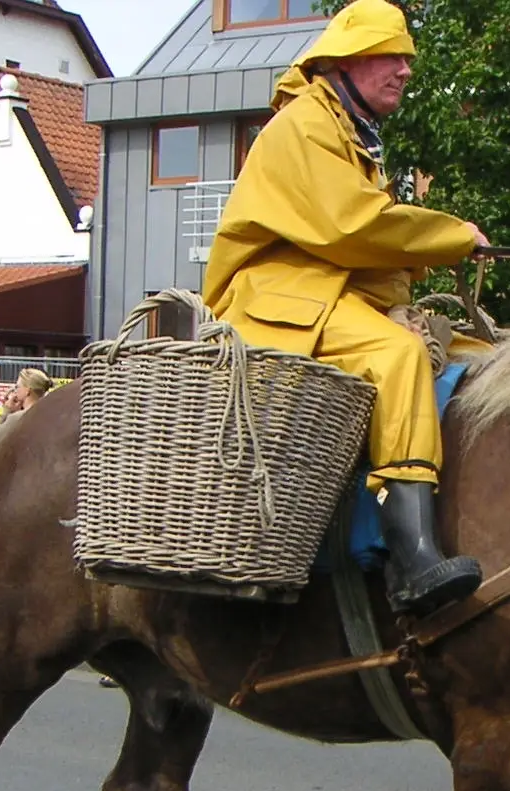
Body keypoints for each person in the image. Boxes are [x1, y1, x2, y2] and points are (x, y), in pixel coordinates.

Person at [203, 0, 489, 615]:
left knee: (485, 356)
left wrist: (403, 299)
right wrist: (451, 235)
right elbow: (350, 227)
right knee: (398, 355)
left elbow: (367, 249)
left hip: (328, 292)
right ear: (345, 61)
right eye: (391, 55)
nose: (405, 71)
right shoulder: (305, 123)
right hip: (278, 295)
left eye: (408, 58)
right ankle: (411, 554)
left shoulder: (352, 132)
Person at [0, 368, 50, 455]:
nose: (14, 391)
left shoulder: (18, 418)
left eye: (17, 387)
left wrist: (6, 411)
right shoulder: (49, 415)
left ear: (27, 391)